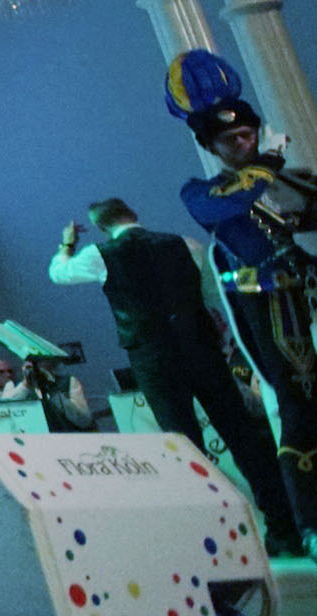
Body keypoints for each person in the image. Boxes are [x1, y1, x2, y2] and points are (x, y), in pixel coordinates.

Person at [49, 196, 300, 554]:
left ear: (103, 228)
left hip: (153, 358)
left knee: (183, 447)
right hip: (200, 348)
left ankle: (216, 540)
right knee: (242, 435)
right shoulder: (186, 244)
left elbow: (59, 273)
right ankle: (284, 528)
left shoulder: (99, 254)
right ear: (134, 213)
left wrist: (67, 244)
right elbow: (209, 296)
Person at [168, 49, 317, 550]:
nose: (243, 143)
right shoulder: (201, 191)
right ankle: (309, 521)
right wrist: (269, 165)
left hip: (308, 296)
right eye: (231, 139)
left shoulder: (287, 179)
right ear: (211, 146)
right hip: (270, 305)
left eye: (248, 135)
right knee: (299, 401)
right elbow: (232, 203)